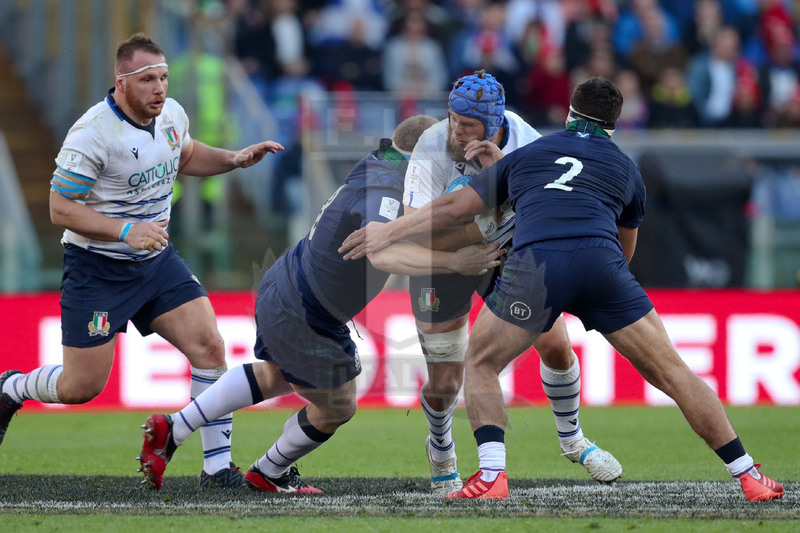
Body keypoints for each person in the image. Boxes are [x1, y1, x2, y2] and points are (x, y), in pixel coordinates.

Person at [339, 77, 784, 502]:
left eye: (469, 121)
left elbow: (455, 205)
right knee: (674, 372)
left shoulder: (535, 147)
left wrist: (388, 230)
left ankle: (496, 472)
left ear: (568, 113)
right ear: (613, 125)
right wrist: (593, 286)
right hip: (593, 265)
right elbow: (625, 248)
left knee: (481, 362)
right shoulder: (628, 169)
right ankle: (748, 472)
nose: (458, 128)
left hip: (533, 264)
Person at [136, 115, 505, 492]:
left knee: (274, 375)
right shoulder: (389, 187)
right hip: (307, 309)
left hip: (288, 285)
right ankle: (268, 471)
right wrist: (455, 262)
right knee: (339, 404)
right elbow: (383, 254)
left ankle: (175, 429)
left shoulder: (381, 161)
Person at [0, 33, 285, 489]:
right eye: (148, 79)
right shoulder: (92, 134)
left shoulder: (171, 115)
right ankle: (10, 388)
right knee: (81, 387)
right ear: (122, 83)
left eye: (164, 77)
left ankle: (216, 469)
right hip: (97, 267)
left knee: (210, 348)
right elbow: (60, 208)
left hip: (155, 262)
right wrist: (126, 230)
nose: (160, 88)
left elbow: (185, 153)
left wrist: (233, 159)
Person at [401, 70, 621, 495]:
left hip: (503, 252)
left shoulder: (527, 141)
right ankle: (442, 447)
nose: (455, 130)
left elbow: (547, 208)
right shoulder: (432, 145)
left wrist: (501, 173)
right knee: (445, 382)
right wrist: (460, 241)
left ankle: (572, 438)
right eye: (452, 118)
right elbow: (412, 228)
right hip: (440, 262)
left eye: (467, 124)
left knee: (556, 345)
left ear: (495, 121)